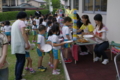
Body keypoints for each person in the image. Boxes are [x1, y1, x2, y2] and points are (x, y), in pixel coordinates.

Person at [11, 11, 30, 80]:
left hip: (15, 44)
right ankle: (18, 77)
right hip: (19, 43)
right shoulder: (21, 22)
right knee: (21, 61)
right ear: (24, 17)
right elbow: (23, 33)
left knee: (19, 60)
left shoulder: (14, 23)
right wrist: (27, 43)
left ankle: (18, 75)